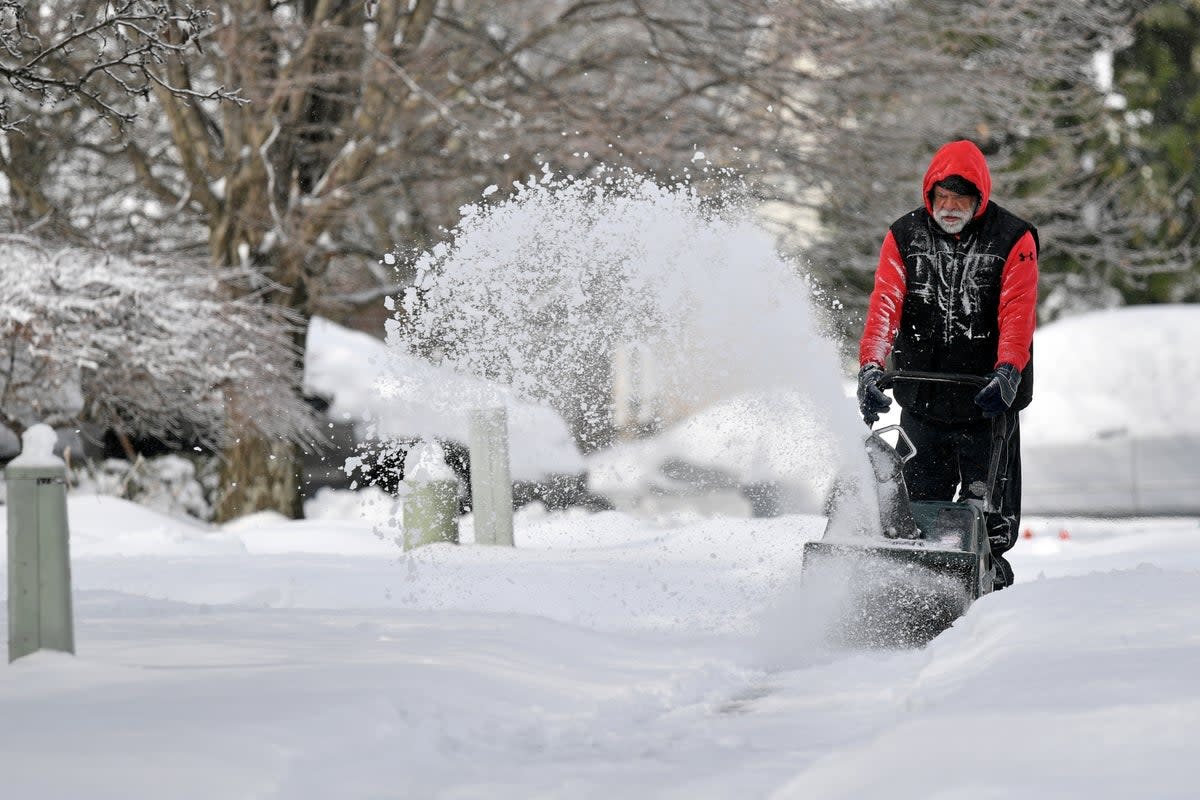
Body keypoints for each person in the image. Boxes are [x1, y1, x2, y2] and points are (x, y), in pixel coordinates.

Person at [856, 139, 1038, 589]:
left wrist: (1008, 372)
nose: (951, 207)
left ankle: (987, 595)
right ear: (929, 195)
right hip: (924, 400)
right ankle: (912, 597)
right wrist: (871, 368)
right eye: (943, 198)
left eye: (961, 199)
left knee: (988, 521)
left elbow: (1018, 312)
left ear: (979, 199)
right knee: (914, 514)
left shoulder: (1013, 238)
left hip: (986, 404)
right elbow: (885, 305)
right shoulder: (904, 237)